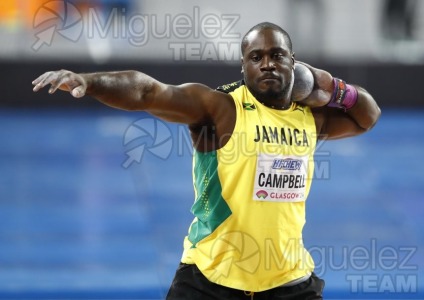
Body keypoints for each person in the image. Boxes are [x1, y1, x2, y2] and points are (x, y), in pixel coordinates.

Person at [32, 22, 381, 300]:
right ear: (243, 65)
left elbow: (367, 115)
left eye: (277, 55)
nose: (267, 63)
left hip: (290, 281)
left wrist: (335, 88)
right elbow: (149, 92)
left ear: (294, 61)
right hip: (210, 281)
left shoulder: (309, 119)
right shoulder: (220, 108)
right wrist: (88, 82)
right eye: (255, 57)